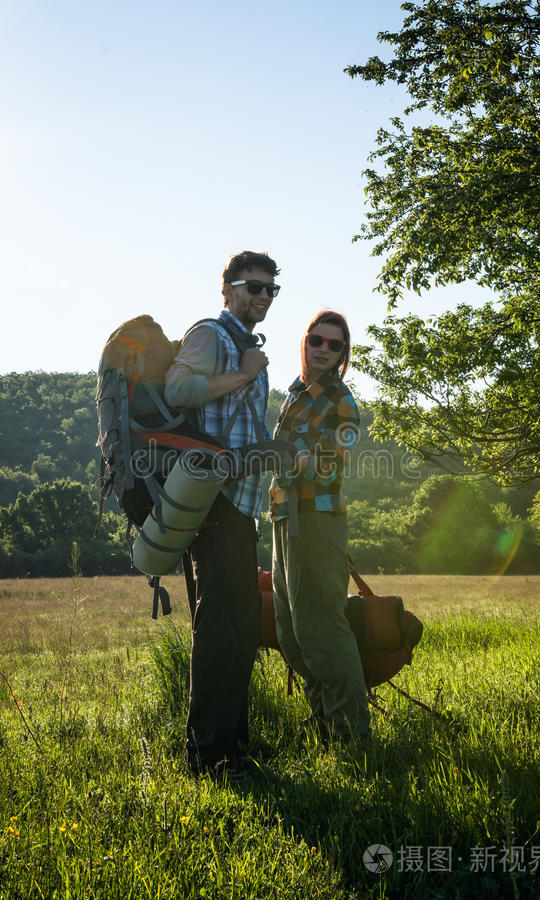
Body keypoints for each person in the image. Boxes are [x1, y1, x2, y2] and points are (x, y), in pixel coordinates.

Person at [164, 250, 280, 777]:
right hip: (214, 502)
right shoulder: (212, 335)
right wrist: (243, 375)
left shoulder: (245, 345)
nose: (262, 297)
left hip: (242, 504)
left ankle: (233, 746)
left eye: (269, 290)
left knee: (239, 626)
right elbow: (178, 387)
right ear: (229, 288)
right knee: (220, 626)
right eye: (253, 287)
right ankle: (209, 755)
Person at [269, 310, 370, 742]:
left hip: (317, 518)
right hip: (282, 516)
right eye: (318, 341)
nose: (325, 350)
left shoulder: (341, 402)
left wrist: (287, 460)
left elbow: (331, 463)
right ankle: (325, 723)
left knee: (322, 629)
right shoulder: (295, 394)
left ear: (344, 353)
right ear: (305, 341)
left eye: (336, 345)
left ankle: (353, 737)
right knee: (291, 631)